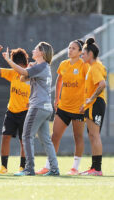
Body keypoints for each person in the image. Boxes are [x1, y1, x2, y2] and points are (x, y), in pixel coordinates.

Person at [2, 42, 59, 176]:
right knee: (46, 140)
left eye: (36, 49)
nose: (33, 51)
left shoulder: (41, 67)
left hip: (37, 106)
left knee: (27, 136)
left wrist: (8, 60)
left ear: (42, 53)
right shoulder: (42, 67)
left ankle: (29, 168)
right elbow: (22, 78)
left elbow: (22, 72)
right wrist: (30, 67)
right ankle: (55, 169)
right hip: (46, 108)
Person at [37, 40, 88, 175]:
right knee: (55, 136)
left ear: (80, 52)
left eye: (74, 48)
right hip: (63, 107)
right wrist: (56, 98)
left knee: (78, 137)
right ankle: (48, 166)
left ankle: (75, 168)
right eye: (69, 47)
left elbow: (89, 85)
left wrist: (86, 103)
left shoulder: (84, 66)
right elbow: (59, 80)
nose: (70, 50)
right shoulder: (63, 64)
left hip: (78, 109)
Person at [0, 45, 30, 174]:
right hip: (11, 111)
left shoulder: (31, 74)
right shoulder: (13, 73)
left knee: (23, 140)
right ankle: (3, 167)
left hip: (25, 113)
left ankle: (22, 166)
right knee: (5, 137)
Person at [79, 38, 106, 176]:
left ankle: (97, 169)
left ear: (90, 54)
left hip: (96, 104)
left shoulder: (95, 67)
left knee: (94, 135)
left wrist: (91, 99)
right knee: (92, 135)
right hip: (92, 105)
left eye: (83, 53)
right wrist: (85, 104)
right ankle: (94, 168)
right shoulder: (93, 66)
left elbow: (102, 84)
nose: (81, 56)